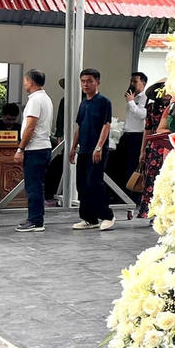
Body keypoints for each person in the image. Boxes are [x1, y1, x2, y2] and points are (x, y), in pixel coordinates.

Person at [69, 68, 114, 231]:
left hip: (97, 150)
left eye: (89, 81)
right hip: (83, 150)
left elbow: (106, 125)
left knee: (94, 183)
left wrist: (99, 147)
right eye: (83, 81)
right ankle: (89, 218)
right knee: (82, 185)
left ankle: (107, 215)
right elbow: (79, 126)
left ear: (97, 82)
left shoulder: (104, 102)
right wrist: (73, 147)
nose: (85, 84)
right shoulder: (83, 103)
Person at [10, 69, 54, 233]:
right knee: (36, 185)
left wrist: (20, 148)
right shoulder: (45, 98)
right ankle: (36, 217)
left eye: (25, 80)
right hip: (42, 146)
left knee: (33, 186)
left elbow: (30, 126)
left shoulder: (36, 101)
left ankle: (35, 220)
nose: (24, 83)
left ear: (31, 82)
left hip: (35, 148)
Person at [136, 82, 174, 218]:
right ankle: (149, 211)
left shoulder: (174, 106)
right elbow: (147, 130)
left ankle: (163, 212)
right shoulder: (151, 107)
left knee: (166, 178)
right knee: (151, 178)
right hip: (155, 146)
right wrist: (142, 151)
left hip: (170, 144)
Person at [115, 72, 148, 197]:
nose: (132, 84)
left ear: (143, 84)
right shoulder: (133, 97)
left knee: (132, 165)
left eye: (135, 81)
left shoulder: (145, 98)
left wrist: (131, 102)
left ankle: (132, 195)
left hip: (137, 136)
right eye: (131, 81)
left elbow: (141, 115)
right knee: (122, 164)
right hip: (127, 134)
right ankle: (122, 193)